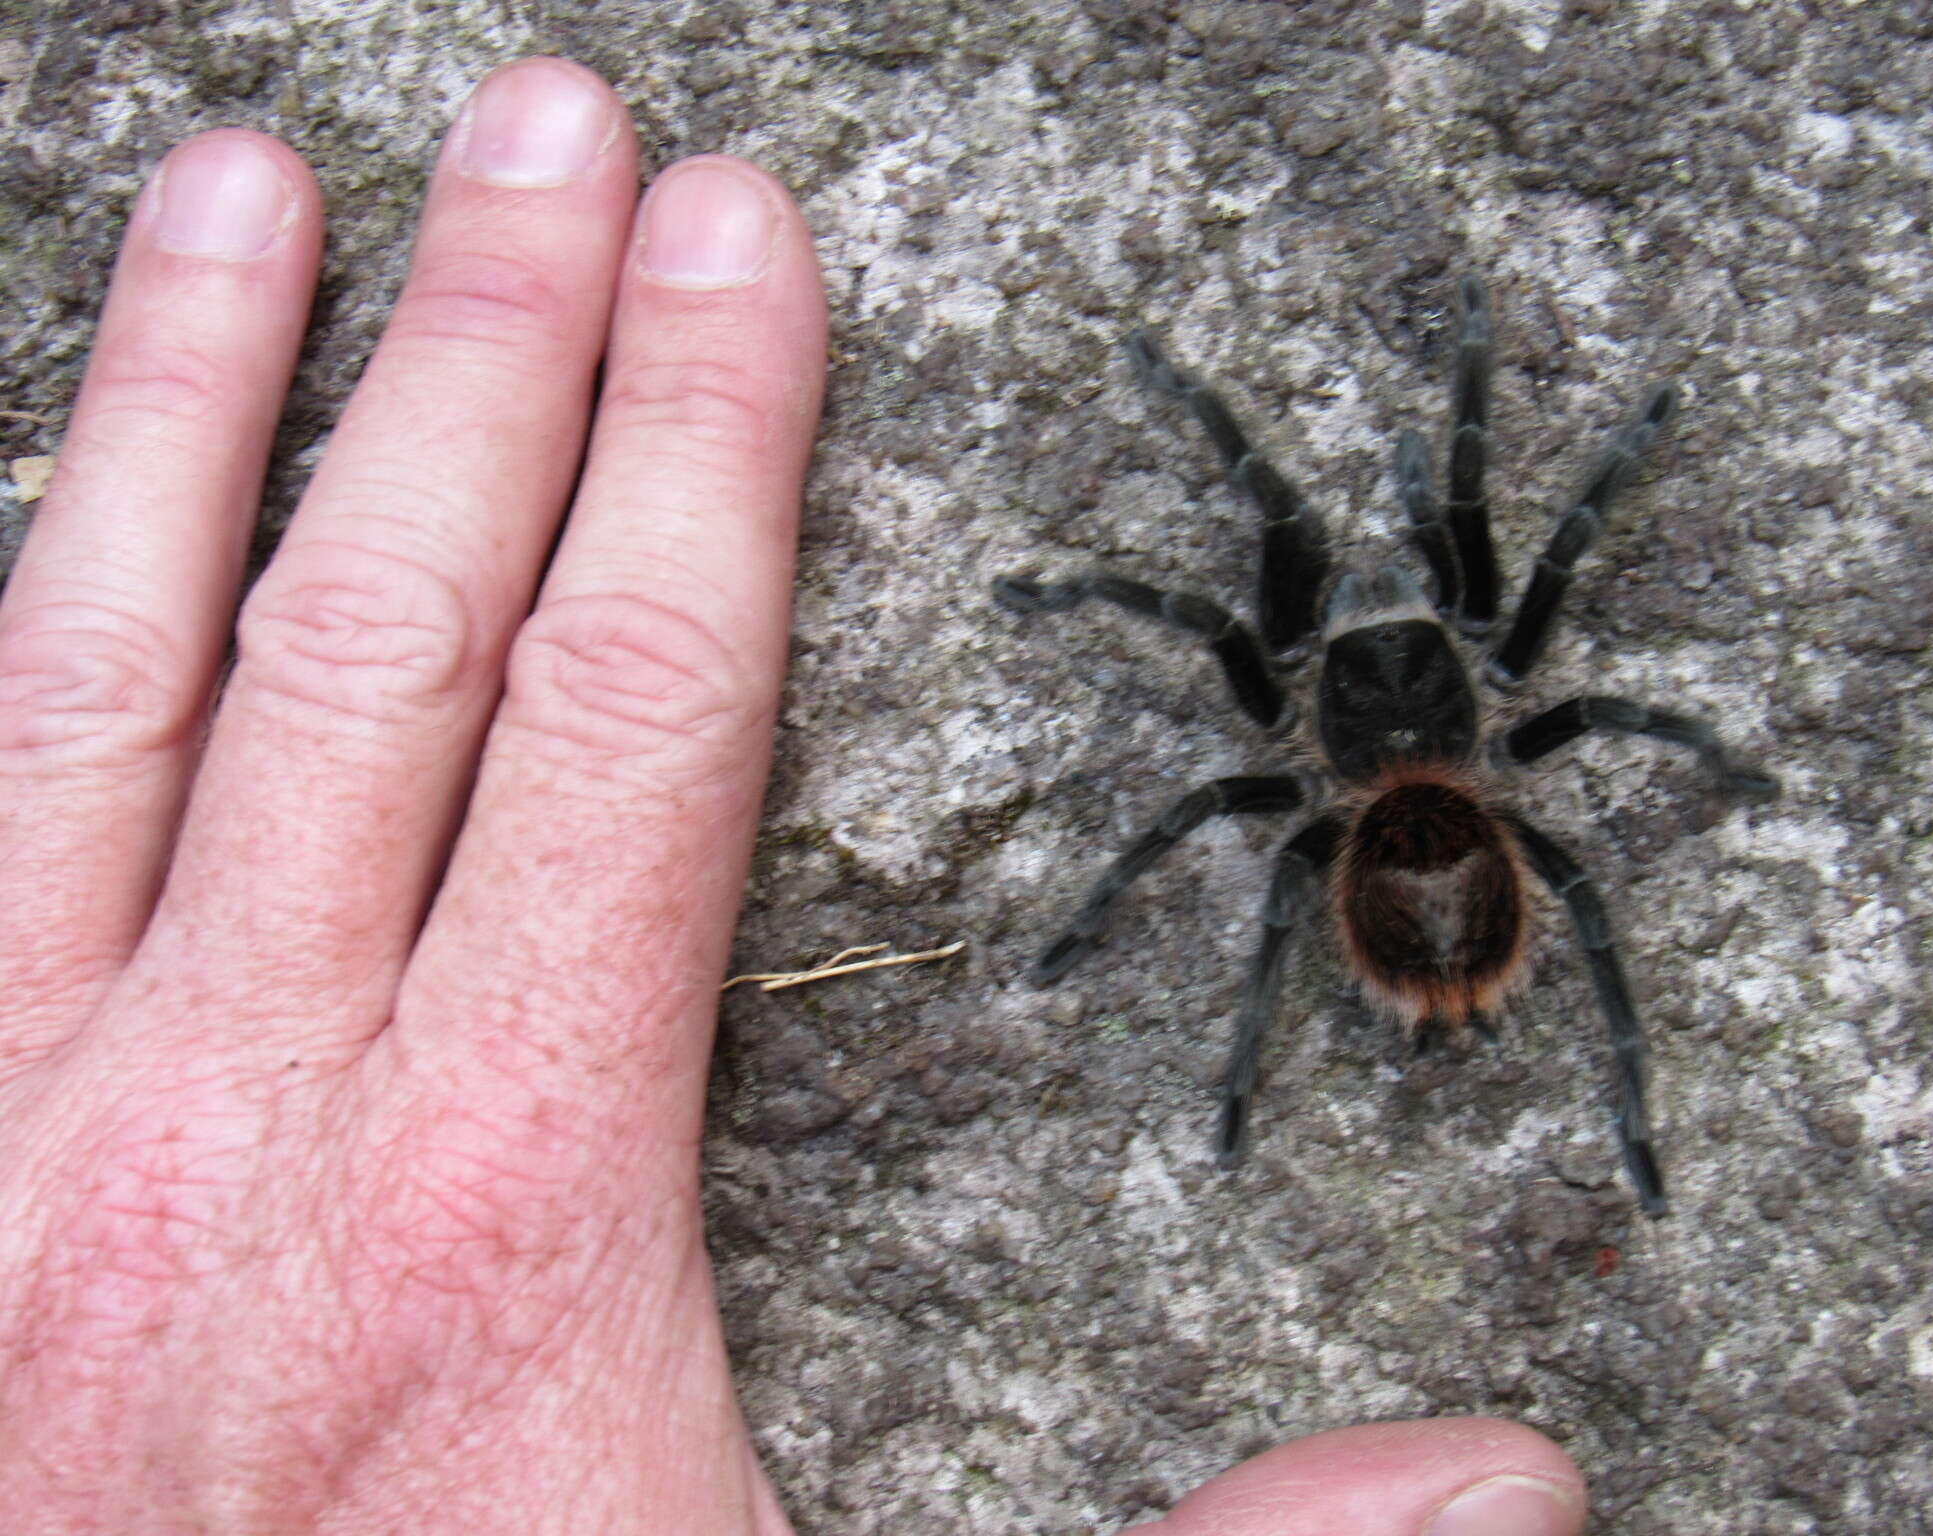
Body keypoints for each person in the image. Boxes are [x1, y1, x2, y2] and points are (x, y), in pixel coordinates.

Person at [0, 56, 1588, 1535]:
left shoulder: (1302, 737)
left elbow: (1198, 692)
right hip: (1443, 833)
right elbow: (1526, 538)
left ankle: (1251, 1072)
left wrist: (1107, 562)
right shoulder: (1497, 684)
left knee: (1236, 808)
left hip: (1388, 843)